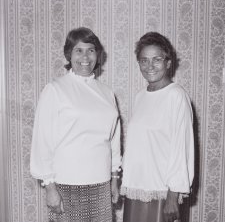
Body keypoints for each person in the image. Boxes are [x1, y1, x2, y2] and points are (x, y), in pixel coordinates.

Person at [30, 27, 121, 222]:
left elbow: (113, 140)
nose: (85, 56)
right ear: (68, 54)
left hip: (101, 184)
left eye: (91, 50)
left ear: (98, 54)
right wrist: (50, 187)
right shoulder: (55, 89)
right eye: (78, 50)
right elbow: (42, 141)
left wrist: (115, 179)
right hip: (67, 185)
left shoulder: (107, 93)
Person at [120, 32, 194, 222]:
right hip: (136, 189)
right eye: (144, 60)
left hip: (161, 192)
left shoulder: (176, 96)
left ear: (168, 63)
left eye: (157, 59)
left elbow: (182, 149)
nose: (150, 66)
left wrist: (172, 196)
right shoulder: (140, 97)